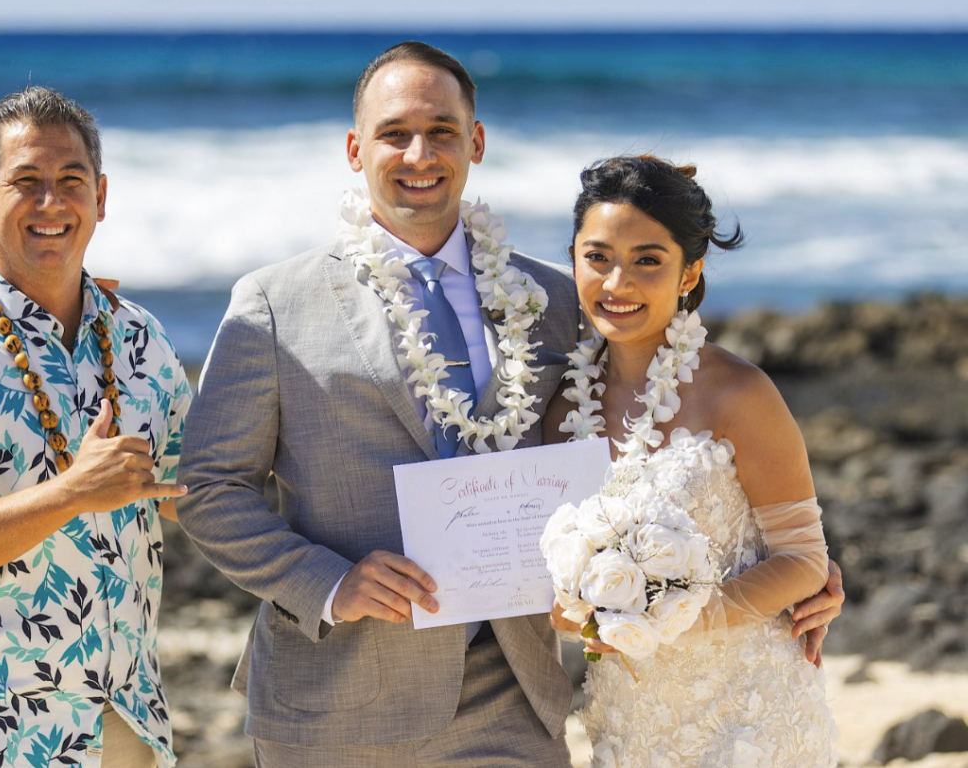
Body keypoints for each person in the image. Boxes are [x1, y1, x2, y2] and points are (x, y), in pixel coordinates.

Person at [176, 43, 842, 767]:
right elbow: (209, 489)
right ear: (354, 148)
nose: (419, 152)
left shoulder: (561, 300)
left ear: (477, 142)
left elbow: (654, 410)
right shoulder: (273, 304)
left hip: (514, 702)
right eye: (395, 132)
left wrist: (795, 569)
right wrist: (331, 583)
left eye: (442, 130)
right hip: (340, 703)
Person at [0, 87, 191, 768]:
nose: (52, 203)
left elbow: (198, 489)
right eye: (26, 182)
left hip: (123, 728)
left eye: (70, 181)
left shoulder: (142, 339)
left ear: (100, 198)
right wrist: (72, 492)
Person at [543, 154, 837, 767]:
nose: (617, 283)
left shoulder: (740, 393)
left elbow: (805, 558)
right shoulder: (561, 411)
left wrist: (679, 619)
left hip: (749, 711)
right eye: (597, 257)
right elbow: (559, 590)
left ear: (689, 272)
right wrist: (579, 614)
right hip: (628, 715)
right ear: (573, 259)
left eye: (647, 260)